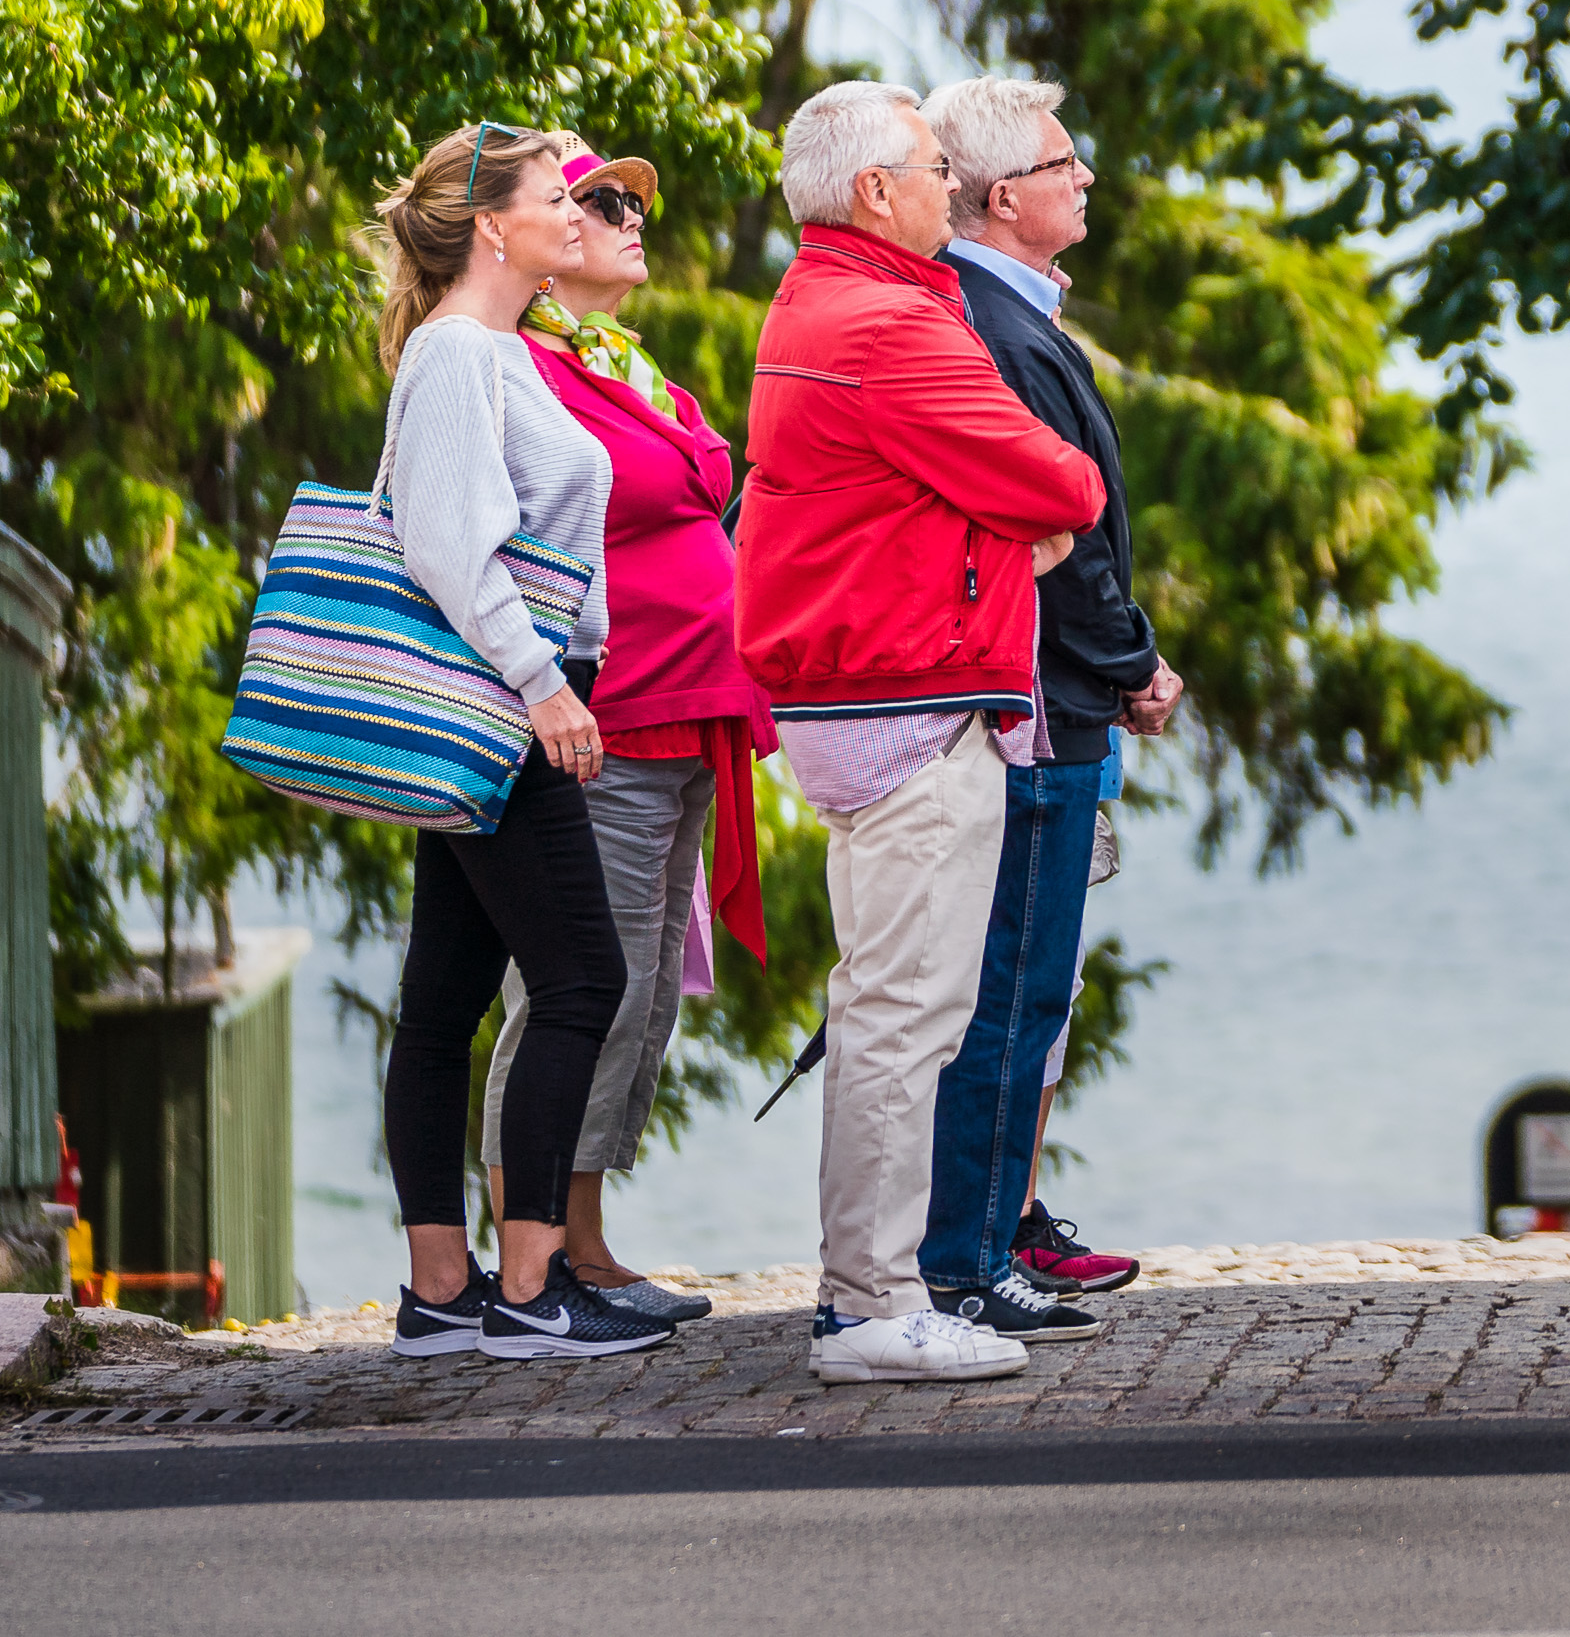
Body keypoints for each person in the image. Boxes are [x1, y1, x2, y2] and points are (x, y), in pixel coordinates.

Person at [736, 80, 1105, 1386]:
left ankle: (869, 1288)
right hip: (907, 702)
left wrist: (1005, 516)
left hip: (856, 698)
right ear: (876, 192)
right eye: (934, 165)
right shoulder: (891, 326)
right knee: (906, 1014)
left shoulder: (819, 304)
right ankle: (869, 1303)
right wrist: (1025, 525)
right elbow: (1066, 479)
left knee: (885, 1004)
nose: (954, 182)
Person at [366, 121, 670, 1360]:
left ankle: (443, 1294)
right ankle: (529, 1285)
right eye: (556, 193)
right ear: (493, 223)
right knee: (583, 978)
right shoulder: (455, 355)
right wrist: (549, 686)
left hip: (505, 694)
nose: (575, 207)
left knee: (442, 997)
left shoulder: (494, 350)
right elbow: (446, 544)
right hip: (503, 702)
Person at [478, 140, 764, 1327]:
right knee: (575, 989)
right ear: (544, 244)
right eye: (600, 200)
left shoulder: (624, 361)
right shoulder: (521, 369)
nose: (632, 214)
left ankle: (584, 1236)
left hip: (685, 716)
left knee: (641, 996)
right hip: (605, 716)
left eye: (637, 198)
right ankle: (534, 1256)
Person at [921, 75, 1188, 1324]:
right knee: (1013, 983)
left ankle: (1002, 1228)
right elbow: (1058, 533)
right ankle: (972, 1257)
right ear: (1004, 193)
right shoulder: (990, 323)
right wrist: (1131, 659)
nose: (1085, 178)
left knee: (1037, 984)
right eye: (1064, 162)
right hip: (1036, 698)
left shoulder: (1007, 310)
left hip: (1053, 691)